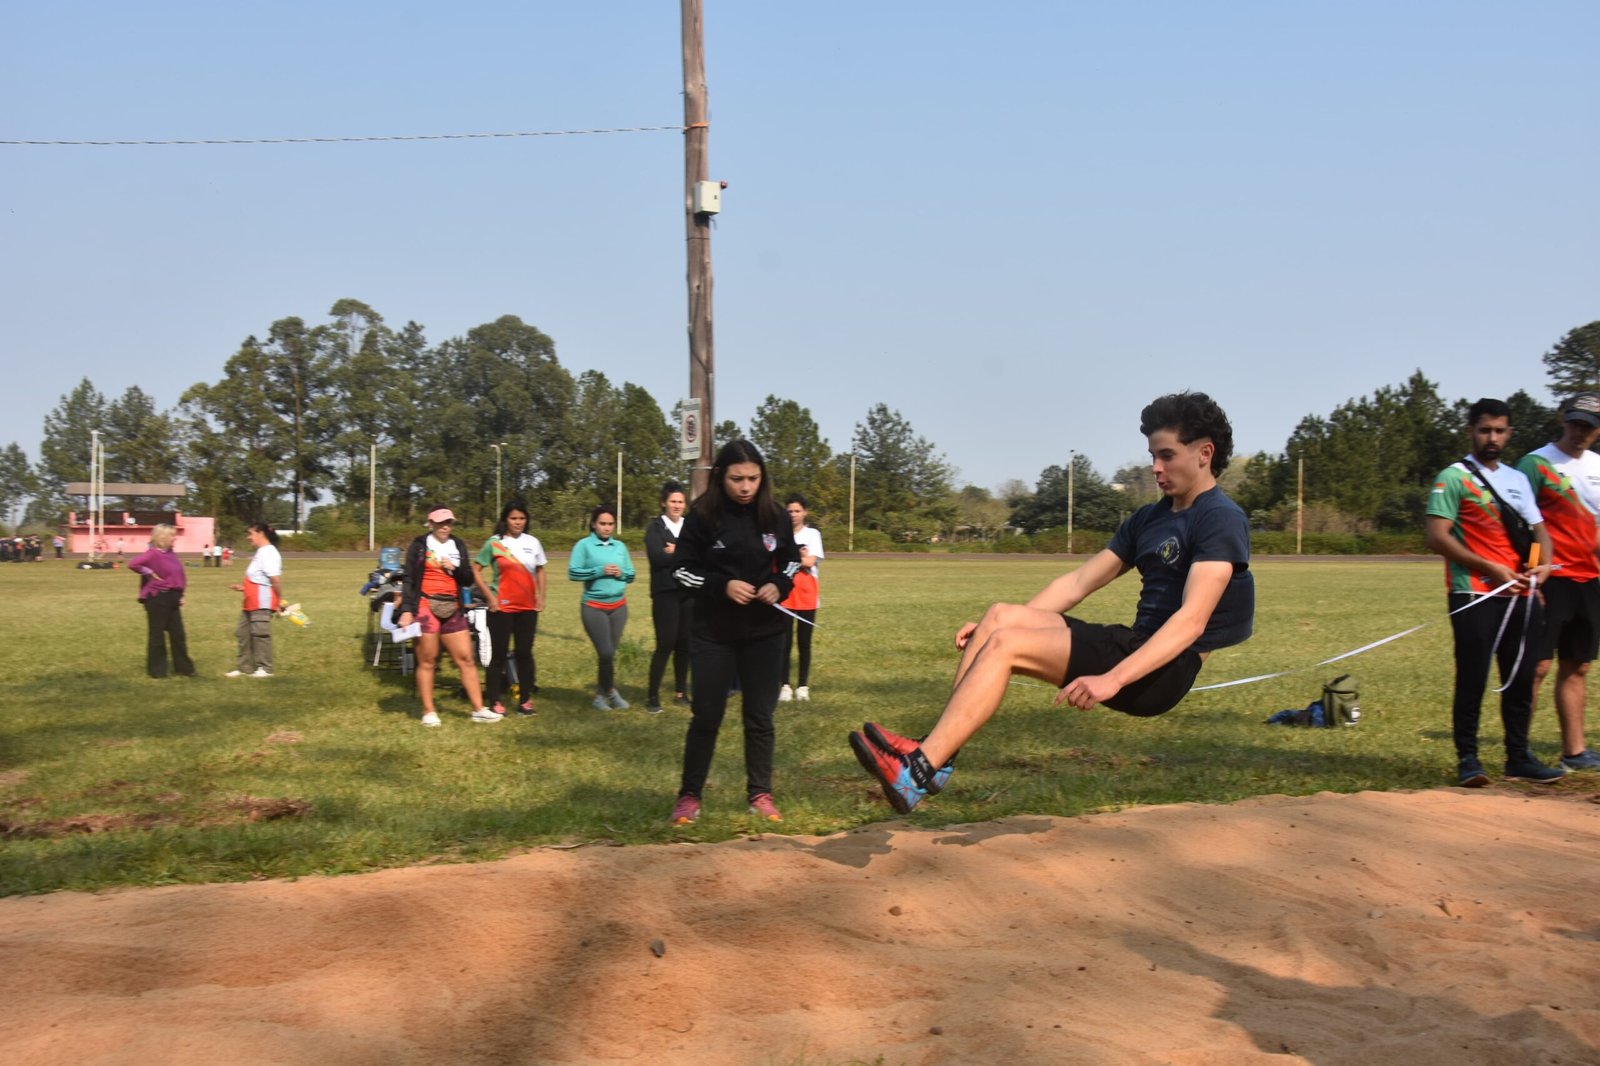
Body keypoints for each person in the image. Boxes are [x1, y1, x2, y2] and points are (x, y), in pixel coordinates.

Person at [849, 392, 1255, 814]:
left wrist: (1112, 679)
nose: (1155, 468)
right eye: (1152, 455)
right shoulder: (1149, 519)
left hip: (1162, 670)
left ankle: (919, 769)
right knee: (999, 619)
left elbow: (1191, 621)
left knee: (1007, 644)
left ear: (1204, 453)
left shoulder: (1219, 518)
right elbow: (1078, 581)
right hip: (1134, 644)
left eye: (1166, 456)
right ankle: (935, 757)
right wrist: (1010, 625)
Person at [1425, 397, 1565, 786]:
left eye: (1499, 431)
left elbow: (1537, 534)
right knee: (1472, 677)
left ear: (1509, 433)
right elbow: (1437, 536)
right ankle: (1468, 758)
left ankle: (1518, 756)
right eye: (1485, 430)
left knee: (1521, 679)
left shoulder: (1518, 480)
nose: (1492, 437)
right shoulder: (1452, 477)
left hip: (1521, 597)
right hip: (1474, 594)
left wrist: (1538, 567)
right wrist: (1488, 566)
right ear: (1470, 431)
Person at [668, 440, 802, 826]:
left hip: (765, 633)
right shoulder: (702, 517)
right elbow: (681, 570)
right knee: (706, 716)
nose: (745, 487)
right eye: (737, 479)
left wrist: (779, 583)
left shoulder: (774, 515)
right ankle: (689, 796)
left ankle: (760, 793)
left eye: (753, 479)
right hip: (713, 633)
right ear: (720, 478)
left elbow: (791, 561)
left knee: (760, 717)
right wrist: (721, 585)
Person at [1515, 393, 1600, 772]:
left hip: (1591, 580)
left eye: (1589, 426)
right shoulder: (1536, 464)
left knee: (1577, 665)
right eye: (1575, 423)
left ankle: (1575, 751)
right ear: (1563, 421)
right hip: (1550, 578)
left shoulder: (1598, 467)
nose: (1580, 432)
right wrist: (1531, 571)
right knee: (1537, 666)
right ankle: (1519, 752)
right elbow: (1519, 523)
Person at [397, 508, 498, 727]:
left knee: (466, 659)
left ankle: (479, 709)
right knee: (427, 660)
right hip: (425, 605)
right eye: (441, 523)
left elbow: (467, 578)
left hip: (453, 606)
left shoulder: (457, 545)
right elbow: (409, 578)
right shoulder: (419, 545)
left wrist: (455, 568)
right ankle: (429, 712)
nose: (445, 527)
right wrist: (406, 609)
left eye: (449, 523)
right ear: (431, 523)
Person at [473, 499, 547, 717]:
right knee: (498, 655)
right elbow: (476, 570)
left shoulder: (533, 542)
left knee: (525, 653)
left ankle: (525, 700)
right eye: (513, 518)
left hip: (527, 608)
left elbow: (541, 571)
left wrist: (541, 597)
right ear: (505, 520)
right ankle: (494, 701)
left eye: (522, 518)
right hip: (501, 608)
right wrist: (490, 597)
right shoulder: (494, 543)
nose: (518, 522)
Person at [569, 506, 637, 709]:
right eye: (602, 523)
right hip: (594, 607)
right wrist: (599, 571)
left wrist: (621, 574)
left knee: (608, 655)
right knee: (606, 653)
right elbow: (574, 573)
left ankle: (604, 694)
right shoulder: (584, 546)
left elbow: (631, 574)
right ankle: (609, 692)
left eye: (610, 524)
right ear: (593, 524)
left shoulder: (620, 547)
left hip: (619, 607)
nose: (607, 528)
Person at [644, 481, 693, 714]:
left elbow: (698, 556)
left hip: (688, 592)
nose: (677, 505)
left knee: (685, 644)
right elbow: (657, 558)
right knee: (666, 643)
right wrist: (682, 553)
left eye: (680, 501)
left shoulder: (690, 526)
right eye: (673, 501)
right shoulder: (654, 528)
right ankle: (652, 696)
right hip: (665, 593)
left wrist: (676, 550)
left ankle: (681, 692)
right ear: (664, 502)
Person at [128, 523, 195, 678]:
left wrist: (180, 594)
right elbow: (133, 564)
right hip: (157, 597)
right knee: (157, 636)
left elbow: (178, 576)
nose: (175, 538)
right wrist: (149, 572)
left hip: (172, 597)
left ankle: (184, 668)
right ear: (162, 537)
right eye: (172, 535)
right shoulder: (152, 554)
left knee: (178, 635)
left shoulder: (171, 554)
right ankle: (157, 671)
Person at [777, 493, 824, 703]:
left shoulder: (813, 534)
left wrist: (795, 557)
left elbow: (810, 561)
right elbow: (777, 560)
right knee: (784, 641)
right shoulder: (780, 534)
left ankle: (803, 685)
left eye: (797, 511)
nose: (793, 515)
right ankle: (784, 684)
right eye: (790, 511)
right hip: (785, 593)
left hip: (807, 593)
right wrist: (799, 554)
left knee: (804, 642)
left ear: (804, 512)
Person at [226, 523, 287, 677]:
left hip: (261, 601)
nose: (248, 537)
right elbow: (259, 578)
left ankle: (265, 669)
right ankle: (244, 667)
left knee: (260, 634)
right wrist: (243, 588)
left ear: (261, 534)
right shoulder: (261, 552)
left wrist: (279, 600)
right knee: (243, 633)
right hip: (250, 601)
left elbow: (275, 580)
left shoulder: (269, 553)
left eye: (250, 534)